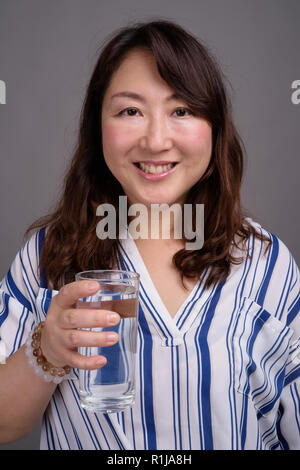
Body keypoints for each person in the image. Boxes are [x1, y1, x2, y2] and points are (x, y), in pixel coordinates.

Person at [0, 20, 299, 450]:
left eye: (182, 111)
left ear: (214, 127)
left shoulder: (263, 263)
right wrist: (46, 349)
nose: (157, 141)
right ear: (96, 128)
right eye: (130, 111)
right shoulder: (50, 255)